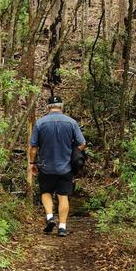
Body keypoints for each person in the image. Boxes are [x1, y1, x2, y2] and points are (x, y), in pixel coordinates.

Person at [29, 95, 86, 236]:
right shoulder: (71, 123)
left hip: (45, 166)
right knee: (63, 196)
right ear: (61, 106)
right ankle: (62, 227)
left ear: (48, 107)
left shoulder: (40, 123)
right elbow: (82, 143)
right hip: (65, 167)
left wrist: (32, 163)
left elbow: (33, 147)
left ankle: (50, 217)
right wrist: (72, 151)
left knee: (46, 193)